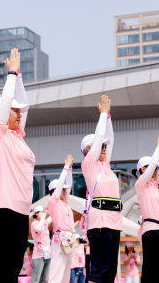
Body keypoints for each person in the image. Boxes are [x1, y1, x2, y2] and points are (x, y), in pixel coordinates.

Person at [0, 48, 35, 283]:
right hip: (4, 207)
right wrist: (11, 75)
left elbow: (24, 104)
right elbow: (7, 103)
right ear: (2, 115)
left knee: (14, 265)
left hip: (22, 209)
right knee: (2, 264)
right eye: (14, 111)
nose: (18, 114)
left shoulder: (18, 137)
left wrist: (20, 77)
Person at [81, 94, 120, 283]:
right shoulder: (88, 164)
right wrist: (102, 115)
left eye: (104, 146)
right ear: (88, 149)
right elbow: (99, 140)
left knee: (110, 271)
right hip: (100, 223)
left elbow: (109, 138)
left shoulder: (107, 166)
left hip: (114, 222)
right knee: (99, 271)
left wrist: (109, 116)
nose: (103, 147)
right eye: (99, 145)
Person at [133, 131, 159, 283]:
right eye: (152, 168)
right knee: (150, 268)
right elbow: (153, 167)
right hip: (150, 231)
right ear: (143, 169)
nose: (155, 171)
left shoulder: (154, 185)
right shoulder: (140, 184)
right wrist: (158, 147)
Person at [47, 154, 75, 283]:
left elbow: (68, 185)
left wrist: (69, 169)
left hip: (70, 236)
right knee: (57, 268)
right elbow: (60, 188)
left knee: (66, 269)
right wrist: (65, 167)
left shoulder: (64, 203)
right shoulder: (52, 201)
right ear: (54, 190)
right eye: (61, 189)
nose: (64, 191)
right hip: (61, 236)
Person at [30, 206, 51, 283]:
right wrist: (44, 215)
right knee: (35, 279)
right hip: (39, 255)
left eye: (43, 212)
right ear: (36, 213)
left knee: (44, 280)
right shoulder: (34, 224)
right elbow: (39, 229)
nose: (43, 214)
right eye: (41, 212)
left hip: (47, 254)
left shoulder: (44, 223)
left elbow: (51, 218)